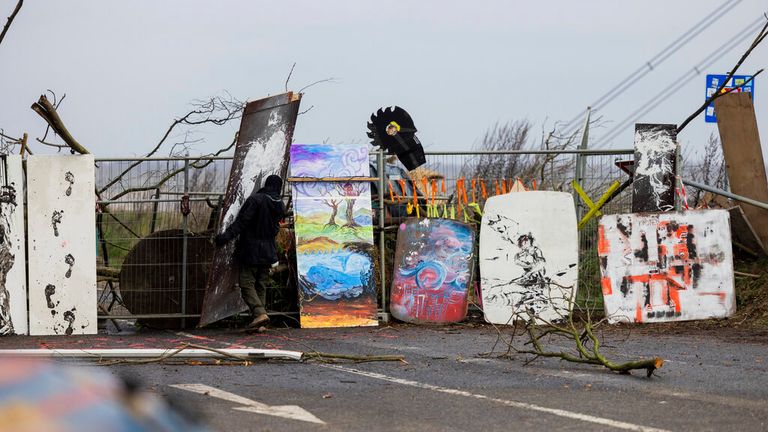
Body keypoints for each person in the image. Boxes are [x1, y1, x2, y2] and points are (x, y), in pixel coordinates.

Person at [215, 175, 286, 329]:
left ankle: (259, 313)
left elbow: (241, 223)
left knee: (246, 283)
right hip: (268, 250)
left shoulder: (256, 200)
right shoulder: (280, 204)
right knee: (261, 284)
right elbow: (275, 228)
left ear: (266, 184)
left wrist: (224, 237)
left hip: (251, 248)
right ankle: (260, 321)